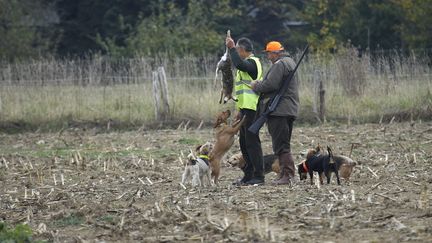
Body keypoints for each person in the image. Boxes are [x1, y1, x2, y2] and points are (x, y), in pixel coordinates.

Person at [251, 41, 299, 185]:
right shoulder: (290, 62)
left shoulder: (279, 65)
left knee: (280, 145)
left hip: (279, 110)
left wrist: (256, 86)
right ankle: (284, 174)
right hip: (289, 109)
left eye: (269, 53)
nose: (268, 56)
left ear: (274, 53)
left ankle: (288, 175)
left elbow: (270, 85)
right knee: (284, 143)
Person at [225, 36, 264, 185]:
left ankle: (259, 176)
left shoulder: (253, 63)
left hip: (253, 109)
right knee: (244, 143)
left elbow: (240, 64)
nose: (237, 53)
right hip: (245, 109)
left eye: (238, 50)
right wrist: (239, 110)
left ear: (241, 50)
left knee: (252, 142)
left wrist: (231, 48)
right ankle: (248, 175)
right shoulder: (246, 64)